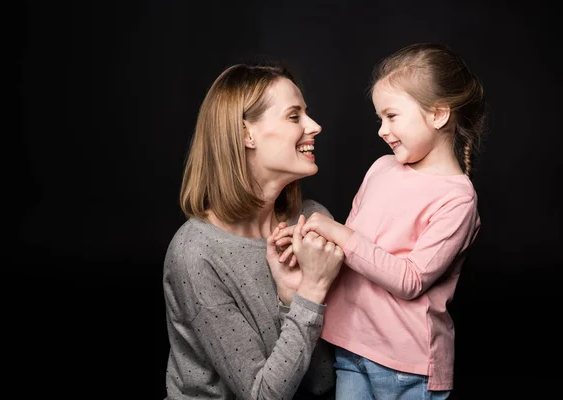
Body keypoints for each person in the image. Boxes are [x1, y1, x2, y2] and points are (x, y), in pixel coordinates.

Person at [273, 43, 487, 399]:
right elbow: (354, 247)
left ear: (438, 115)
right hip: (350, 348)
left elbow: (411, 280)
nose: (382, 130)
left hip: (407, 367)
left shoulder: (457, 198)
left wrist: (335, 231)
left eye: (392, 116)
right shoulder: (382, 168)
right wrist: (307, 241)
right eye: (379, 119)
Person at [163, 61, 344, 399]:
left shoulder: (312, 221)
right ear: (246, 134)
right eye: (294, 116)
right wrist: (313, 290)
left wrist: (291, 299)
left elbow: (321, 382)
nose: (315, 126)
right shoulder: (196, 254)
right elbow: (262, 395)